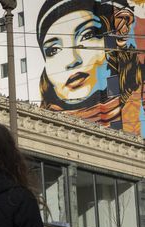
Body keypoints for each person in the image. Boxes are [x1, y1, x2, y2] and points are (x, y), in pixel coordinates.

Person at [37, 0, 145, 136]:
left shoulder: (139, 105)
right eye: (53, 50)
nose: (72, 60)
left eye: (86, 36)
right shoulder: (44, 130)